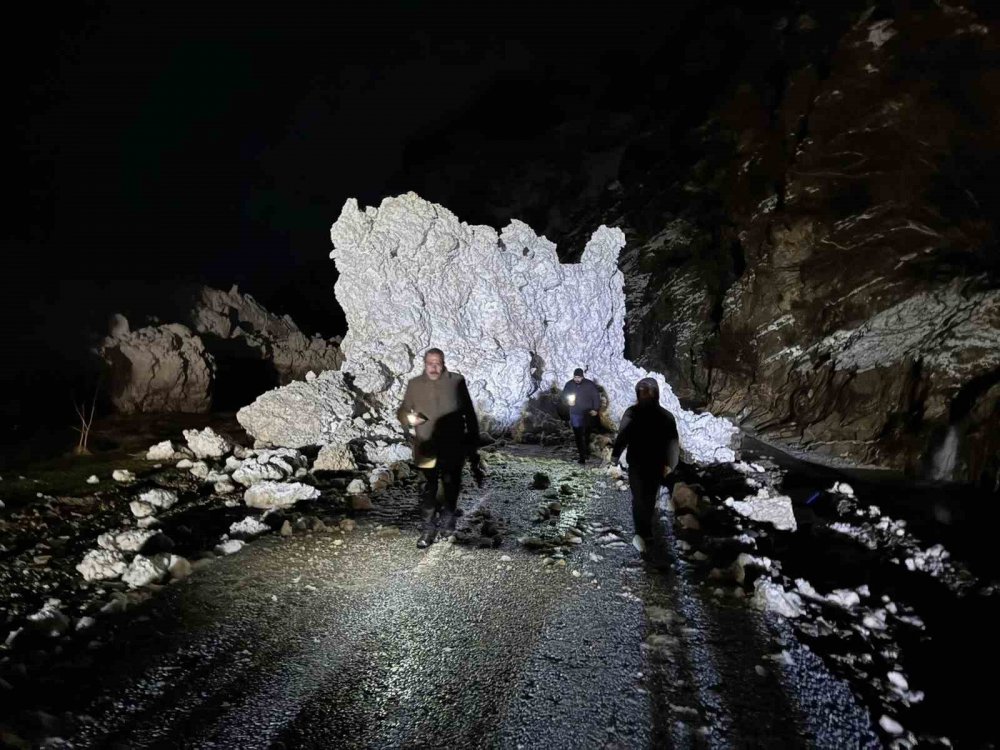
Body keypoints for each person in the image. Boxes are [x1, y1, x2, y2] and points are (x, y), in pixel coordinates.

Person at [397, 348, 483, 548]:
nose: (434, 367)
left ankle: (448, 524)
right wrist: (409, 419)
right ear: (424, 363)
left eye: (438, 363)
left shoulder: (456, 382)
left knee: (451, 486)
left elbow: (469, 414)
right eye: (430, 363)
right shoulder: (415, 385)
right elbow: (402, 410)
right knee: (427, 489)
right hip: (426, 446)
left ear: (443, 363)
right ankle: (428, 530)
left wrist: (473, 446)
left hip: (453, 446)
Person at [610, 377, 680, 554]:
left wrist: (615, 456)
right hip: (654, 464)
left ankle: (642, 531)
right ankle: (644, 531)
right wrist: (671, 464)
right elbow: (672, 443)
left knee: (640, 497)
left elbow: (622, 436)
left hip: (639, 463)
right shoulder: (665, 416)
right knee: (648, 498)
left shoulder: (632, 413)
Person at [561, 367, 601, 464]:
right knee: (578, 434)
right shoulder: (569, 385)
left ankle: (585, 451)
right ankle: (582, 456)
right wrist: (567, 402)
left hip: (587, 413)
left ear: (582, 377)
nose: (577, 379)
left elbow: (596, 396)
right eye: (575, 377)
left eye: (579, 377)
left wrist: (595, 409)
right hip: (575, 412)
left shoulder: (589, 384)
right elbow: (563, 396)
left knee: (586, 433)